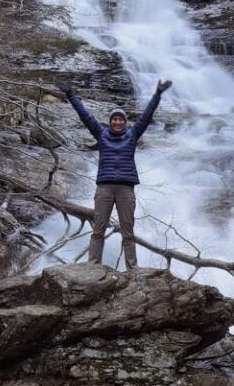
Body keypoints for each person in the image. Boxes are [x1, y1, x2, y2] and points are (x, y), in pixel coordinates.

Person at [56, 78, 172, 269]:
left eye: (120, 119)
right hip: (105, 188)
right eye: (114, 119)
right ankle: (93, 266)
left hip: (126, 188)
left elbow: (146, 116)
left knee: (128, 232)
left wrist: (158, 94)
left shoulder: (133, 135)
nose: (117, 122)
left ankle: (132, 269)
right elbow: (84, 115)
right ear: (110, 122)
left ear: (125, 122)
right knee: (98, 230)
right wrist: (70, 94)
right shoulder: (101, 134)